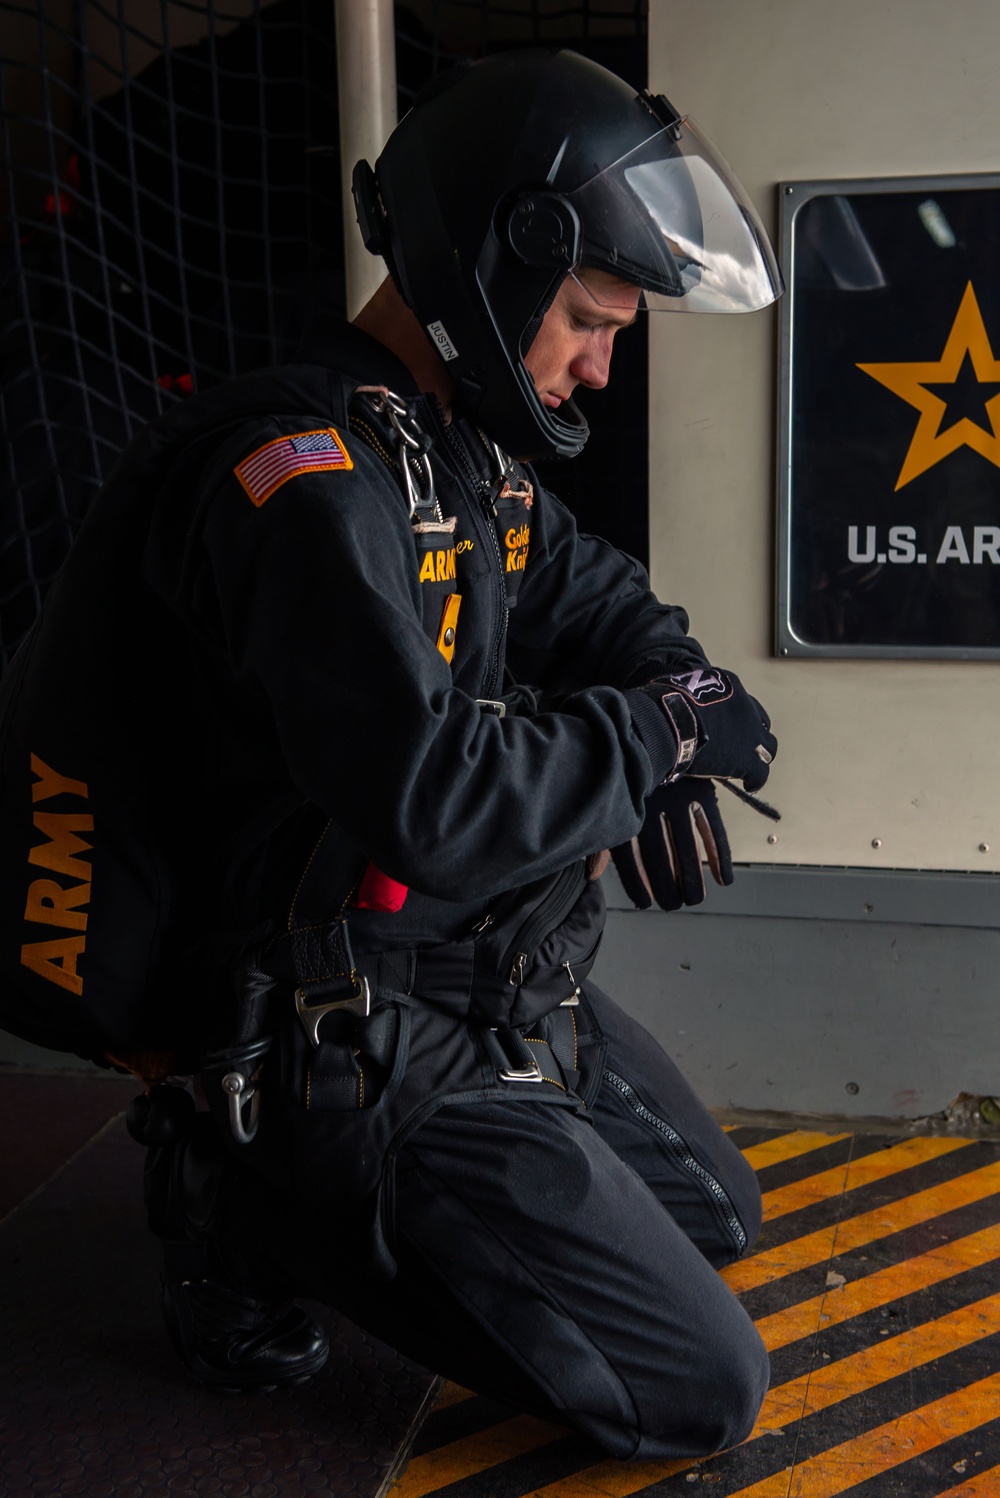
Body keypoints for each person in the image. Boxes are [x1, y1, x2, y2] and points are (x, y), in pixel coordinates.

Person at [6, 49, 783, 1458]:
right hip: (342, 1025)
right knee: (701, 1387)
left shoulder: (450, 461)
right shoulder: (298, 481)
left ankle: (415, 1180)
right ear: (501, 260)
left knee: (723, 1217)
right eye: (591, 318)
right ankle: (243, 1200)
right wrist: (656, 733)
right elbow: (428, 795)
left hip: (475, 972)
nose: (600, 362)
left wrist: (678, 686)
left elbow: (606, 601)